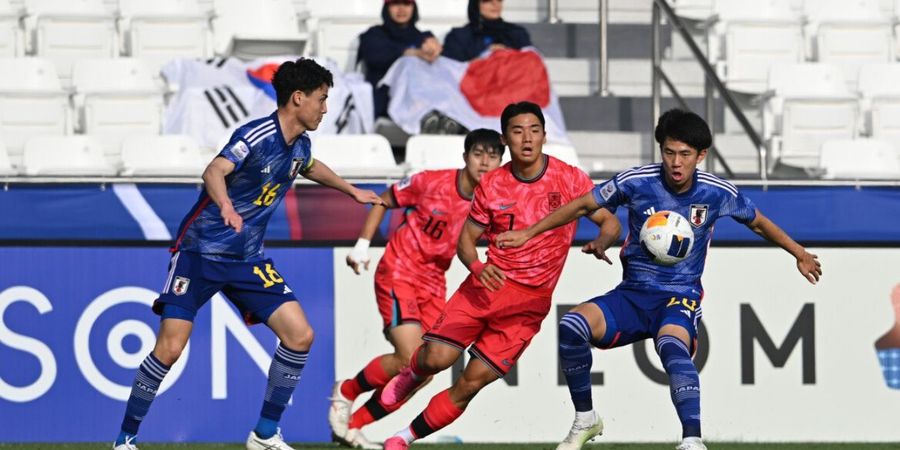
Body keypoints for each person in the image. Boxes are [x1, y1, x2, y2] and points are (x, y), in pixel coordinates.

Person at [496, 109, 823, 450]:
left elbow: (757, 222)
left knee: (671, 346)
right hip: (632, 295)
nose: (676, 162)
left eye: (684, 154)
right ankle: (586, 419)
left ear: (701, 155)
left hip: (678, 296)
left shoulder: (715, 192)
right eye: (669, 152)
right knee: (571, 326)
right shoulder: (636, 181)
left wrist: (798, 253)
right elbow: (581, 205)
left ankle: (693, 441)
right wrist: (528, 233)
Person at [111, 58, 383, 450]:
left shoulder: (300, 144)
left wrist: (351, 190)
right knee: (169, 348)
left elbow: (309, 165)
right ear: (298, 98)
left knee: (300, 335)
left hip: (247, 259)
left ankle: (265, 434)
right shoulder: (255, 135)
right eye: (322, 99)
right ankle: (125, 438)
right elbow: (214, 171)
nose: (326, 108)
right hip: (199, 253)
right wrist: (224, 205)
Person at [377, 101, 621, 450]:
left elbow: (610, 222)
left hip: (529, 305)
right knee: (436, 359)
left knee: (470, 384)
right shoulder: (492, 185)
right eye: (518, 131)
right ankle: (413, 371)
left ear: (544, 136)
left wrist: (601, 241)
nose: (527, 138)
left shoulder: (569, 179)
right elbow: (466, 240)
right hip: (485, 288)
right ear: (506, 139)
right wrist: (476, 266)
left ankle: (402, 438)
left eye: (534, 130)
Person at [329, 129, 504, 449]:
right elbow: (385, 199)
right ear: (465, 157)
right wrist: (363, 245)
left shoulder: (492, 204)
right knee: (410, 355)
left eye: (493, 156)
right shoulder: (430, 182)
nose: (485, 162)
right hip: (400, 270)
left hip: (435, 282)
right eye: (478, 154)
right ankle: (347, 391)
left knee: (427, 366)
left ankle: (354, 425)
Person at [358, 0, 442, 119]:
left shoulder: (424, 37)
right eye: (396, 3)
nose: (401, 9)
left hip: (422, 101)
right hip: (384, 103)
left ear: (414, 7)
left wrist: (433, 49)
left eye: (406, 4)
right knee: (408, 63)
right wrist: (413, 53)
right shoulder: (374, 35)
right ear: (387, 7)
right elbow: (375, 55)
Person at [442, 0, 532, 62]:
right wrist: (484, 58)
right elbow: (450, 71)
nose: (495, 4)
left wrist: (509, 56)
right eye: (487, 0)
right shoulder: (459, 36)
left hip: (512, 87)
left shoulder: (517, 33)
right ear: (475, 4)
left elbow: (532, 66)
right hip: (473, 87)